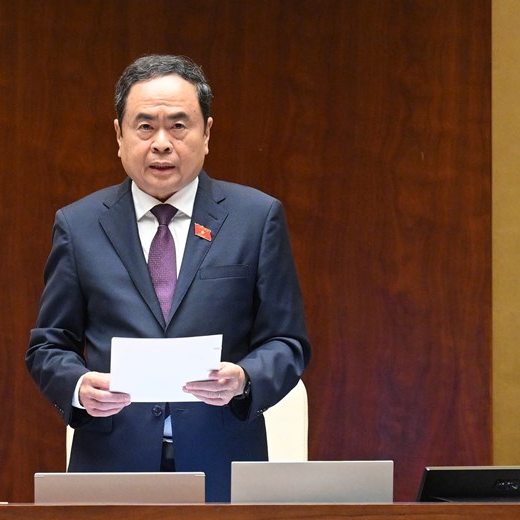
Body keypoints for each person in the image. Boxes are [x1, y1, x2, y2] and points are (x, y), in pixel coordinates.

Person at [26, 54, 310, 503]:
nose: (162, 143)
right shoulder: (78, 225)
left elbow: (287, 341)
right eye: (144, 127)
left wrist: (244, 378)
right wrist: (79, 387)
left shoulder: (256, 219)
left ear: (207, 134)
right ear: (118, 135)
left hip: (225, 467)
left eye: (179, 126)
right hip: (110, 468)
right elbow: (49, 345)